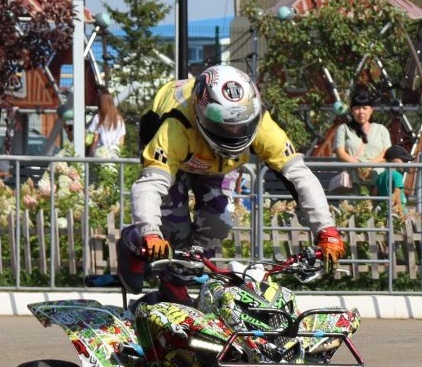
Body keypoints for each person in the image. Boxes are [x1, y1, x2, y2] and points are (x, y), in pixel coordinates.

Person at [119, 65, 341, 289]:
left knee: (218, 225)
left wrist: (326, 230)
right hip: (175, 158)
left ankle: (177, 281)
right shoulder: (174, 126)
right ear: (200, 114)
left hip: (217, 165)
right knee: (174, 227)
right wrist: (150, 232)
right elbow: (149, 186)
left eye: (242, 125)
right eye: (223, 125)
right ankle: (132, 243)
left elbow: (299, 175)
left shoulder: (264, 125)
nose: (234, 132)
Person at [330, 87, 401, 202]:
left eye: (364, 108)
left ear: (371, 110)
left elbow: (387, 153)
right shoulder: (344, 129)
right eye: (357, 108)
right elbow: (340, 153)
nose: (361, 112)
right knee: (352, 216)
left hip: (378, 182)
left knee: (379, 217)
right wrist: (359, 166)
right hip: (352, 183)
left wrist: (370, 165)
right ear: (352, 110)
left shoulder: (381, 129)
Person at [87, 89, 125, 159]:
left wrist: (90, 152)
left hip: (101, 152)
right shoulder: (119, 119)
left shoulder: (98, 118)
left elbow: (95, 139)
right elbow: (121, 141)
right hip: (115, 153)